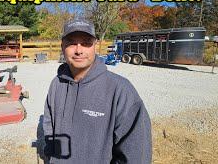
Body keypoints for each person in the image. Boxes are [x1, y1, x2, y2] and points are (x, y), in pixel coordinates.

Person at [42, 18, 152, 164]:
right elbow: (49, 125)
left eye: (86, 43)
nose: (79, 50)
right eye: (72, 43)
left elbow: (136, 155)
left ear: (96, 46)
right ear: (63, 47)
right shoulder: (56, 84)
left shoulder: (121, 91)